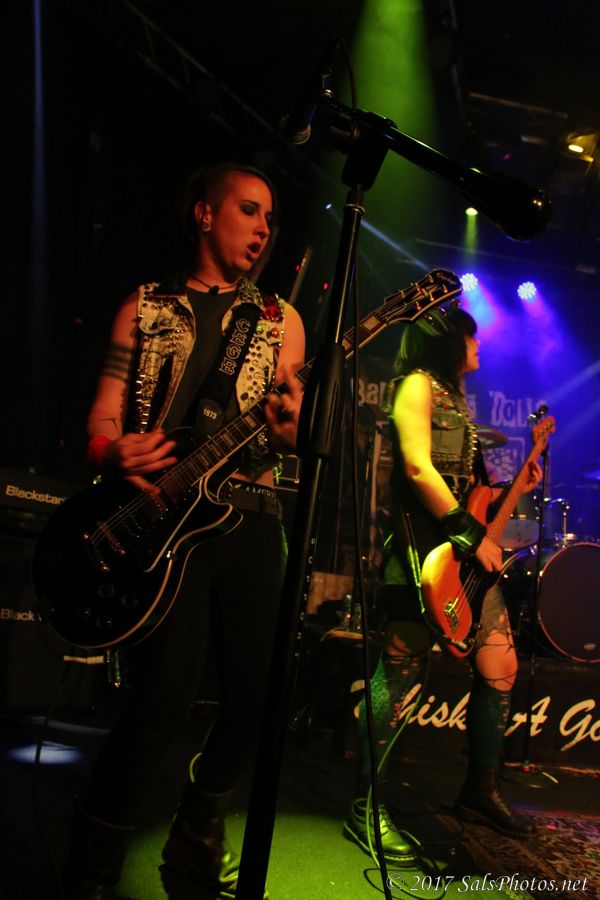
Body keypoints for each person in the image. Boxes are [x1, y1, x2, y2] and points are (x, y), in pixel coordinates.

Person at [62, 162, 305, 899]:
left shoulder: (281, 320)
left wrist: (290, 431)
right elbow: (103, 416)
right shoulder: (145, 307)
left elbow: (288, 431)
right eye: (249, 210)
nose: (263, 229)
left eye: (270, 217)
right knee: (160, 704)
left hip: (252, 517)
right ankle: (92, 868)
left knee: (258, 702)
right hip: (165, 525)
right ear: (204, 214)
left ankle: (197, 834)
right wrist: (109, 451)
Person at [344, 306, 542, 863]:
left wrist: (514, 488)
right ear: (448, 340)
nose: (478, 346)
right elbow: (416, 467)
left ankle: (479, 791)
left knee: (500, 664)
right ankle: (365, 805)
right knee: (399, 672)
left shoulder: (457, 399)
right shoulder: (414, 385)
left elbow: (470, 488)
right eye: (470, 338)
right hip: (421, 550)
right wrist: (468, 534)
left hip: (464, 554)